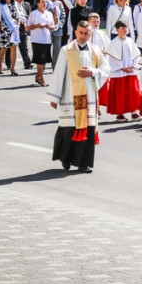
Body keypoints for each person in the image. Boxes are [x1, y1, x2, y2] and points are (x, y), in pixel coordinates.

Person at [48, 20, 110, 173]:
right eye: (80, 32)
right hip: (69, 96)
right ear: (75, 32)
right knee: (69, 129)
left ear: (90, 34)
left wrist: (93, 73)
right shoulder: (66, 50)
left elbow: (106, 69)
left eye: (86, 33)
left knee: (87, 130)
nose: (83, 36)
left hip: (89, 98)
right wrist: (55, 97)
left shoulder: (95, 51)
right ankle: (66, 158)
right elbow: (59, 74)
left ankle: (84, 163)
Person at [106, 20, 142, 122]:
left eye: (126, 28)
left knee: (133, 93)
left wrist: (134, 66)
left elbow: (136, 55)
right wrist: (122, 67)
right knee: (120, 95)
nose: (125, 30)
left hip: (130, 72)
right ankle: (119, 114)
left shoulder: (130, 41)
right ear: (117, 30)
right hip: (119, 73)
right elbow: (111, 59)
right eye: (122, 28)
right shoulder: (113, 43)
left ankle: (134, 112)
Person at [26, 0, 56, 87]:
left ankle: (37, 76)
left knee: (44, 59)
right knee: (40, 60)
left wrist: (49, 27)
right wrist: (37, 26)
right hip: (37, 39)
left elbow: (53, 27)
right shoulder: (34, 13)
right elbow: (28, 27)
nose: (44, 3)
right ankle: (41, 77)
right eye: (42, 2)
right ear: (38, 3)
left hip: (46, 39)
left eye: (45, 2)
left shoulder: (49, 14)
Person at [0, 0, 21, 75]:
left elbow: (18, 16)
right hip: (4, 29)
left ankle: (13, 68)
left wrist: (18, 25)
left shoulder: (15, 4)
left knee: (13, 48)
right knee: (3, 48)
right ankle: (0, 65)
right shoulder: (0, 5)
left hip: (14, 29)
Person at [14, 0, 33, 70]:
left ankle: (27, 63)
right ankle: (9, 63)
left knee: (24, 46)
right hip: (15, 27)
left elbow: (29, 15)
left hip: (23, 27)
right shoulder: (12, 4)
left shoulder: (27, 4)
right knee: (11, 47)